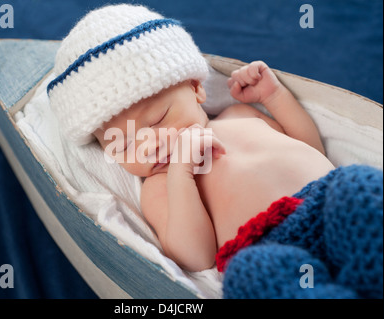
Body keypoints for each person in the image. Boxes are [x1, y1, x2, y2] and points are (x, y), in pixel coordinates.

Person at [48, 4, 383, 298]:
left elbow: (308, 147)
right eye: (124, 144)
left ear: (196, 89)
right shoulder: (160, 185)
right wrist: (182, 172)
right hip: (269, 245)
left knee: (358, 187)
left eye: (159, 119)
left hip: (325, 199)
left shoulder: (237, 115)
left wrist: (275, 98)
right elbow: (195, 256)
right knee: (251, 275)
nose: (148, 143)